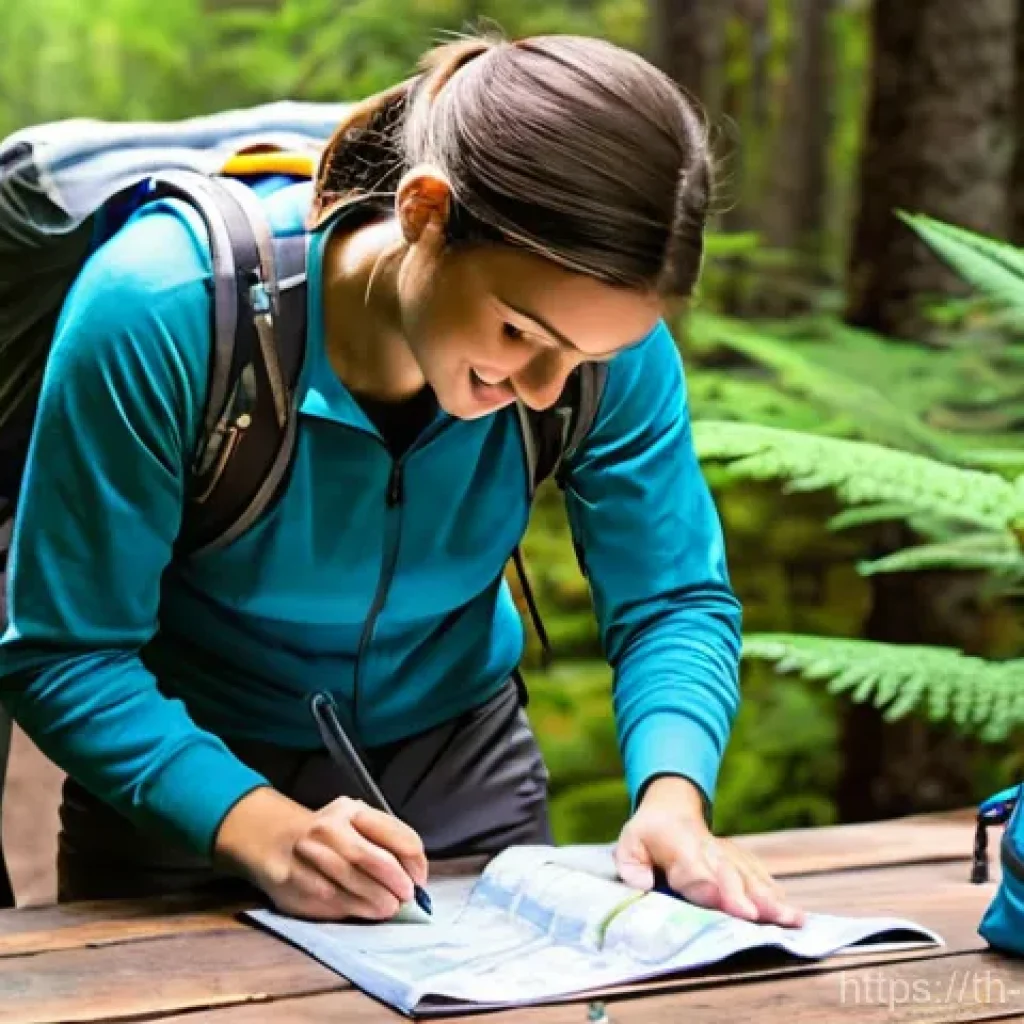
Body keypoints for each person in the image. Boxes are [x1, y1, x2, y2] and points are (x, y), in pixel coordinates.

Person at [0, 32, 804, 927]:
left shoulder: (607, 353)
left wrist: (673, 796)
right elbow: (66, 653)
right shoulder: (164, 312)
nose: (546, 388)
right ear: (424, 213)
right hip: (180, 792)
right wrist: (264, 830)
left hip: (463, 773)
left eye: (585, 357)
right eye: (518, 331)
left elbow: (672, 597)